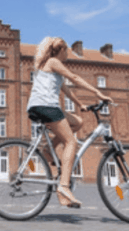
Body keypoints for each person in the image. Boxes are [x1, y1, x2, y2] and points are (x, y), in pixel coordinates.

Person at [26, 37, 112, 208]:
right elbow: (74, 78)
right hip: (47, 106)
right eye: (66, 50)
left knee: (78, 122)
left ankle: (46, 150)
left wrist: (81, 105)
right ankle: (64, 186)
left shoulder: (51, 69)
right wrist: (98, 92)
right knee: (71, 142)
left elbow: (67, 90)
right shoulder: (53, 62)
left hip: (40, 106)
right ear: (61, 50)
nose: (67, 54)